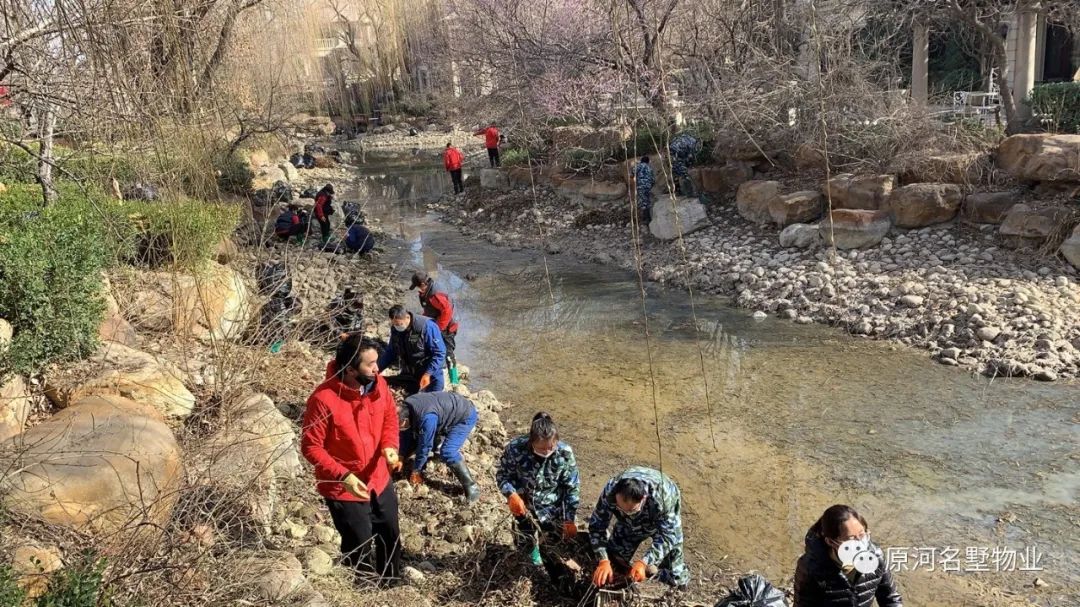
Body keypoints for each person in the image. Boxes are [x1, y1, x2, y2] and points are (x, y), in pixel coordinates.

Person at [300, 335, 402, 582]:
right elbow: (311, 446)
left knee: (390, 533)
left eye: (377, 362)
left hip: (378, 475)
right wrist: (343, 475)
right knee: (359, 542)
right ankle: (363, 588)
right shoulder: (323, 399)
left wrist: (389, 446)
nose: (378, 368)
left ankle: (392, 584)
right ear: (350, 368)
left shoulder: (379, 385)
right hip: (343, 485)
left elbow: (390, 417)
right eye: (370, 364)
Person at [496, 412, 580, 566]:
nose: (547, 452)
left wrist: (569, 518)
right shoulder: (516, 449)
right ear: (531, 442)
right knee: (525, 537)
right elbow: (503, 476)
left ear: (556, 440)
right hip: (523, 504)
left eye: (551, 447)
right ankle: (530, 560)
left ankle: (548, 564)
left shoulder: (565, 453)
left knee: (552, 546)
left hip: (553, 508)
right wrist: (511, 494)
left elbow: (572, 487)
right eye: (541, 449)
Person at [589, 466, 688, 589]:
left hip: (661, 518)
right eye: (620, 509)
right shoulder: (610, 491)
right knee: (615, 559)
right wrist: (603, 560)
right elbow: (596, 527)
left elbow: (668, 537)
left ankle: (679, 590)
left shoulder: (663, 498)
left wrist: (644, 562)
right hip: (628, 526)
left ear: (643, 499)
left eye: (630, 511)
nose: (625, 514)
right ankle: (619, 587)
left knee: (675, 571)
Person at [793, 505, 903, 607]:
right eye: (851, 539)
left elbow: (891, 599)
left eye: (862, 535)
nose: (860, 543)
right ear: (831, 542)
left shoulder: (876, 557)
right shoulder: (810, 568)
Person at [397, 391, 480, 502]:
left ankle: (471, 486)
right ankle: (435, 449)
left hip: (465, 416)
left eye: (399, 425)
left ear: (405, 421)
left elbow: (425, 446)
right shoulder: (406, 406)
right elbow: (405, 434)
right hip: (444, 410)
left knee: (448, 452)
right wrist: (401, 455)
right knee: (416, 436)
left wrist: (416, 470)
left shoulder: (427, 418)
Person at [377, 305, 447, 394]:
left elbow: (439, 353)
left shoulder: (427, 326)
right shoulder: (396, 329)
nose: (397, 327)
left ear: (407, 317)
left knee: (432, 400)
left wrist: (428, 373)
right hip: (411, 371)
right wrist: (377, 368)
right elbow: (391, 351)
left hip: (431, 372)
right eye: (394, 324)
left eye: (399, 324)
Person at [409, 271, 459, 376]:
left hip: (447, 328)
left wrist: (438, 328)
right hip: (437, 322)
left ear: (423, 284)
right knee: (424, 342)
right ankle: (430, 367)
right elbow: (430, 309)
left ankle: (454, 379)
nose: (418, 290)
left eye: (418, 287)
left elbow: (447, 311)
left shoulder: (435, 295)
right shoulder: (428, 290)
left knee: (448, 354)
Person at [634, 156, 656, 225]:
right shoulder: (650, 168)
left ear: (641, 161)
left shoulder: (639, 166)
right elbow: (653, 180)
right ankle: (648, 218)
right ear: (648, 161)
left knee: (643, 202)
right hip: (648, 186)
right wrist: (649, 185)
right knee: (647, 201)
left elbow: (632, 173)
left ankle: (646, 219)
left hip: (641, 186)